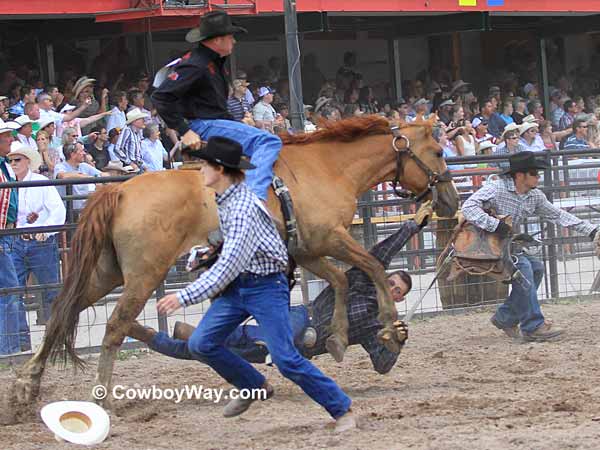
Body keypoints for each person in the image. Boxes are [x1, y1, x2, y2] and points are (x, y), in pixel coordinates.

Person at [153, 136, 356, 431]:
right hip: (241, 286)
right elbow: (230, 251)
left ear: (220, 169)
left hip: (265, 288)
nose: (200, 170)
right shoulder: (228, 200)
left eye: (205, 164)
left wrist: (183, 297)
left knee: (286, 359)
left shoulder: (243, 207)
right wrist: (203, 254)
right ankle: (253, 385)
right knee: (200, 343)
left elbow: (229, 265)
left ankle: (342, 409)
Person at [462, 151, 600, 342]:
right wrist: (495, 225)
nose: (538, 176)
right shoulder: (496, 188)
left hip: (508, 245)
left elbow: (558, 214)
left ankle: (505, 317)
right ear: (520, 175)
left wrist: (591, 230)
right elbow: (468, 207)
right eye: (534, 173)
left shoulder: (534, 196)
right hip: (486, 244)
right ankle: (533, 325)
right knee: (525, 269)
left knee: (536, 268)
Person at [152, 11, 283, 201]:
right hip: (203, 126)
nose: (234, 42)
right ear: (218, 40)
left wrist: (237, 123)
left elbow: (212, 106)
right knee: (268, 141)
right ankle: (254, 200)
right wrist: (185, 130)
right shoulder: (196, 64)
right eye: (231, 37)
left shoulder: (211, 62)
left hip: (210, 122)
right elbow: (161, 96)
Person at [7, 143, 65, 338]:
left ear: (28, 162)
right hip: (16, 241)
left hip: (39, 242)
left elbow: (58, 210)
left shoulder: (40, 182)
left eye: (17, 160)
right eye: (11, 160)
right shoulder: (8, 184)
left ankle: (55, 336)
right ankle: (20, 339)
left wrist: (46, 230)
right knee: (13, 291)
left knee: (51, 291)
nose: (13, 163)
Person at [0, 119, 22, 355]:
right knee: (10, 289)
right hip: (3, 233)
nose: (10, 139)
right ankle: (8, 347)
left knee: (9, 289)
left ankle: (10, 344)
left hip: (9, 232)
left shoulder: (5, 166)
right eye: (6, 135)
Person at [54, 142, 109, 210]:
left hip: (84, 209)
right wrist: (90, 178)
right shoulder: (60, 166)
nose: (84, 153)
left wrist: (98, 179)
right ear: (73, 155)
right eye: (81, 151)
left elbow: (104, 175)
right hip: (67, 211)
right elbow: (63, 176)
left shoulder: (84, 166)